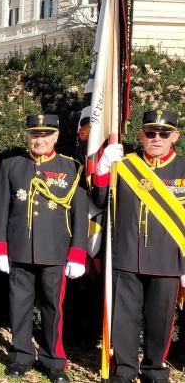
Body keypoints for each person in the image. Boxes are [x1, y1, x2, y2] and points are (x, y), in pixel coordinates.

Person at [0, 114, 88, 382]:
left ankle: (53, 360)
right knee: (18, 305)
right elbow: (0, 209)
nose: (40, 139)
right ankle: (21, 356)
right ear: (27, 136)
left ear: (56, 136)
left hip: (56, 252)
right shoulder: (11, 166)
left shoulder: (71, 168)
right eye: (34, 134)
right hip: (19, 249)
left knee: (53, 308)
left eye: (45, 134)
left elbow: (80, 216)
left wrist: (77, 253)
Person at [93, 110, 185, 383]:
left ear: (175, 137)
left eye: (163, 133)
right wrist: (102, 168)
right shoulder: (125, 165)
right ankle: (125, 369)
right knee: (124, 319)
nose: (156, 138)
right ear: (141, 135)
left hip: (168, 259)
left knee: (160, 320)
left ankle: (155, 370)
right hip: (127, 254)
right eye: (150, 133)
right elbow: (99, 200)